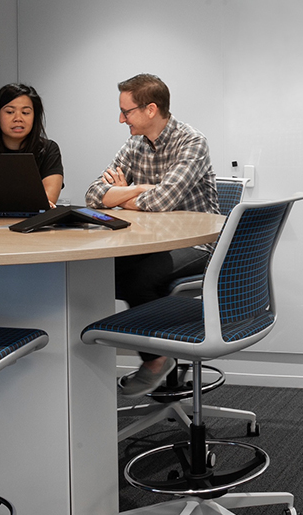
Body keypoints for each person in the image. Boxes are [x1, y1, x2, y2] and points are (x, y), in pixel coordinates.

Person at [85, 73, 220, 396]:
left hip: (196, 245)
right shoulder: (134, 144)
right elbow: (92, 194)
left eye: (126, 111)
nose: (121, 119)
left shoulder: (192, 143)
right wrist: (138, 190)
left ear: (150, 109)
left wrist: (122, 194)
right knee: (98, 272)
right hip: (147, 243)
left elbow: (162, 202)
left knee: (137, 279)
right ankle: (161, 348)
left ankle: (157, 358)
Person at [0, 83, 64, 207]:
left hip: (33, 223)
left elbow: (48, 200)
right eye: (10, 112)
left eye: (25, 113)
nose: (18, 118)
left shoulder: (48, 150)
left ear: (34, 117)